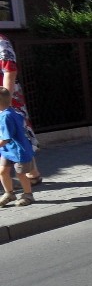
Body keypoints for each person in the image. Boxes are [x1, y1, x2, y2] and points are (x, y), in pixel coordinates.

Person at [0, 34, 43, 186]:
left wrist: (5, 99)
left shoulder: (1, 42)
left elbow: (9, 72)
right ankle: (30, 174)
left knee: (18, 135)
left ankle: (32, 173)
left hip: (6, 99)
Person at [0, 86, 35, 207]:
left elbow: (6, 138)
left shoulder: (6, 116)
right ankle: (9, 193)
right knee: (3, 171)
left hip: (18, 150)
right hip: (7, 150)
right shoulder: (9, 111)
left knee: (20, 174)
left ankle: (28, 195)